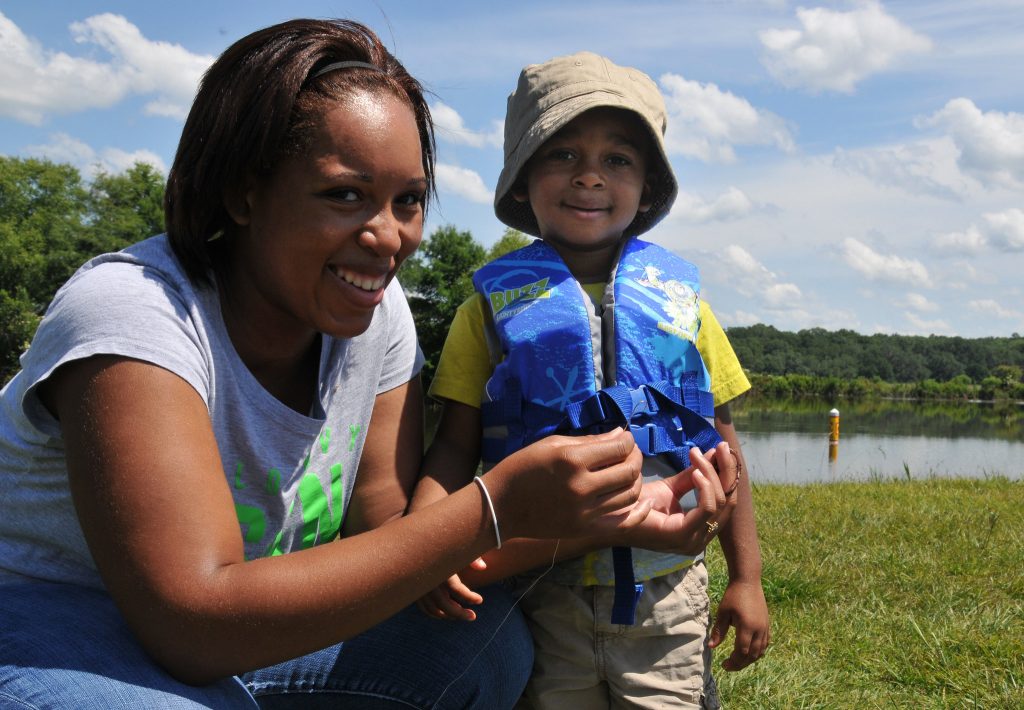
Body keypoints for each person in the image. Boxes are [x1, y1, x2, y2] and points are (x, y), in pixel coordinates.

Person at [0, 22, 739, 709]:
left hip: (239, 630)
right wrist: (497, 505)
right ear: (243, 191)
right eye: (345, 195)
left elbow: (403, 550)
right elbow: (195, 627)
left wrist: (616, 520)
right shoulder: (134, 316)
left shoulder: (377, 317)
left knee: (480, 649)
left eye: (409, 200)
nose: (388, 238)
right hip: (54, 623)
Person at [410, 52, 769, 708]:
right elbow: (454, 448)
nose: (590, 179)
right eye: (562, 155)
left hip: (667, 595)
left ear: (648, 189)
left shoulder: (685, 307)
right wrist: (426, 547)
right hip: (537, 589)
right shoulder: (484, 311)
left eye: (618, 160)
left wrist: (748, 577)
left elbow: (725, 447)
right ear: (521, 182)